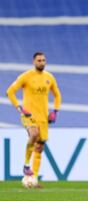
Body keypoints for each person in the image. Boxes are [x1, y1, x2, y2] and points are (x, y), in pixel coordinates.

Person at [6, 52, 62, 188]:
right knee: (34, 134)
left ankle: (33, 178)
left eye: (43, 60)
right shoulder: (26, 76)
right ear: (33, 62)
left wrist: (55, 111)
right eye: (39, 60)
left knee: (40, 147)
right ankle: (26, 166)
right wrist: (20, 108)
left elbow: (57, 95)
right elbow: (10, 91)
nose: (42, 62)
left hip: (43, 118)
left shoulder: (49, 78)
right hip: (29, 116)